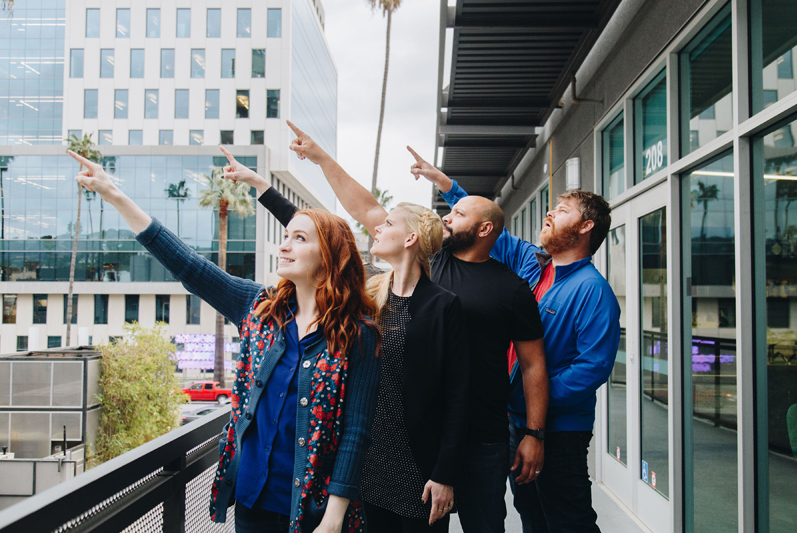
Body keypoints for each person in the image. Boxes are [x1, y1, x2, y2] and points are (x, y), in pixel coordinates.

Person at [67, 150, 383, 533]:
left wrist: (333, 519)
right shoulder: (258, 307)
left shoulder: (358, 333)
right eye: (286, 236)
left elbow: (356, 431)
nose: (284, 245)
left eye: (298, 238)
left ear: (330, 256)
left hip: (316, 509)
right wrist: (114, 194)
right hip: (252, 498)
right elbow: (187, 265)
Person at [272, 123, 548, 533]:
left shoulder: (509, 288)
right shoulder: (429, 268)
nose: (448, 218)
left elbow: (532, 366)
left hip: (483, 435)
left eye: (457, 213)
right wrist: (319, 158)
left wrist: (533, 433)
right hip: (410, 437)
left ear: (485, 229)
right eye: (448, 214)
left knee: (485, 526)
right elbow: (360, 213)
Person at [219, 138, 471, 533]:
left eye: (387, 224)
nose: (377, 227)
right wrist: (259, 185)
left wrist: (445, 473)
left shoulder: (443, 305)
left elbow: (458, 395)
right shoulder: (369, 291)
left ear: (409, 239)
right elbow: (319, 238)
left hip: (413, 460)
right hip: (359, 459)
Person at [410, 149, 621, 533]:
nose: (551, 212)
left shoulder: (593, 290)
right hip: (516, 420)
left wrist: (528, 400)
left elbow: (593, 367)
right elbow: (483, 226)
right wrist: (444, 184)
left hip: (559, 428)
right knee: (531, 512)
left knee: (567, 517)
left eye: (563, 209)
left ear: (587, 227)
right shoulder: (534, 265)